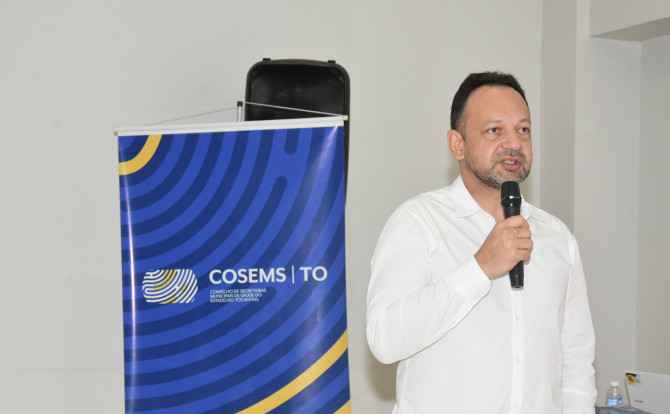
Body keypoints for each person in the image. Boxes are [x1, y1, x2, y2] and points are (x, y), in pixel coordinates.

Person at [366, 71, 596, 413]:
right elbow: (385, 339)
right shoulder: (418, 222)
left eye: (523, 129)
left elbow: (575, 366)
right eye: (494, 130)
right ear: (457, 144)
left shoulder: (558, 238)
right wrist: (480, 267)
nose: (514, 143)